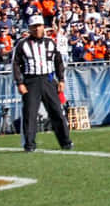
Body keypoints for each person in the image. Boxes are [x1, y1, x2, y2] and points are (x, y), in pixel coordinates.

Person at [12, 15, 73, 152]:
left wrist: (61, 79)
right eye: (34, 26)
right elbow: (15, 65)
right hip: (31, 81)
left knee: (57, 112)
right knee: (30, 114)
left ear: (43, 27)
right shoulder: (22, 44)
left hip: (48, 79)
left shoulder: (50, 42)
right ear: (29, 28)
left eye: (39, 25)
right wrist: (19, 82)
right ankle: (29, 145)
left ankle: (65, 142)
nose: (37, 29)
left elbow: (58, 62)